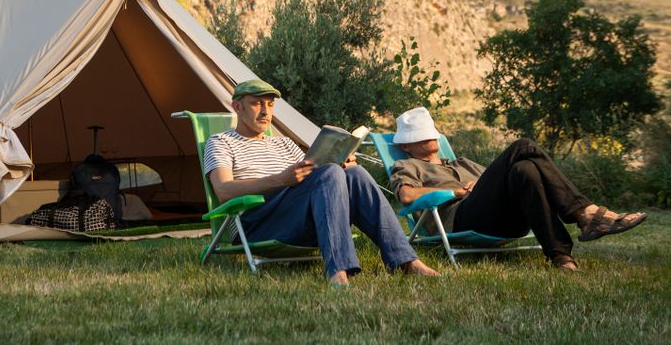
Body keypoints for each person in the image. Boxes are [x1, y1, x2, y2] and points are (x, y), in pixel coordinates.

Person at [203, 79, 439, 287]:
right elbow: (224, 191)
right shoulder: (221, 142)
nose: (265, 111)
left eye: (270, 104)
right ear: (237, 106)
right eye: (257, 103)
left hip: (301, 219)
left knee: (354, 174)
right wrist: (280, 179)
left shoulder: (283, 143)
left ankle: (406, 261)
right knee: (329, 173)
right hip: (258, 223)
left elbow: (316, 178)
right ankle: (337, 270)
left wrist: (344, 161)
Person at [389, 107, 647, 271]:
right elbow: (406, 196)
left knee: (525, 170)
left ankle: (560, 256)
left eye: (430, 133)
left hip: (505, 220)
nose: (429, 138)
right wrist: (456, 192)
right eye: (418, 137)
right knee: (522, 145)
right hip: (463, 218)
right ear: (406, 146)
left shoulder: (462, 162)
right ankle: (584, 214)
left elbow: (499, 180)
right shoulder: (406, 164)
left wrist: (479, 183)